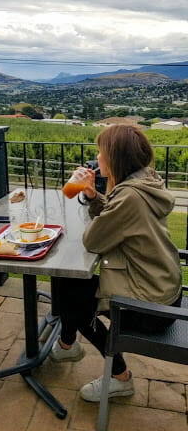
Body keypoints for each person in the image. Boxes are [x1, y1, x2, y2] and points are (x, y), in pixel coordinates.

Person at [50, 124, 182, 402]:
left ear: (115, 158)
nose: (97, 158)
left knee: (74, 298)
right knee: (68, 282)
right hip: (162, 290)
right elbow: (116, 213)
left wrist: (93, 207)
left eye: (101, 152)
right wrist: (91, 195)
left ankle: (119, 377)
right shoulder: (142, 182)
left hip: (150, 308)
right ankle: (67, 345)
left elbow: (93, 240)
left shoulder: (130, 196)